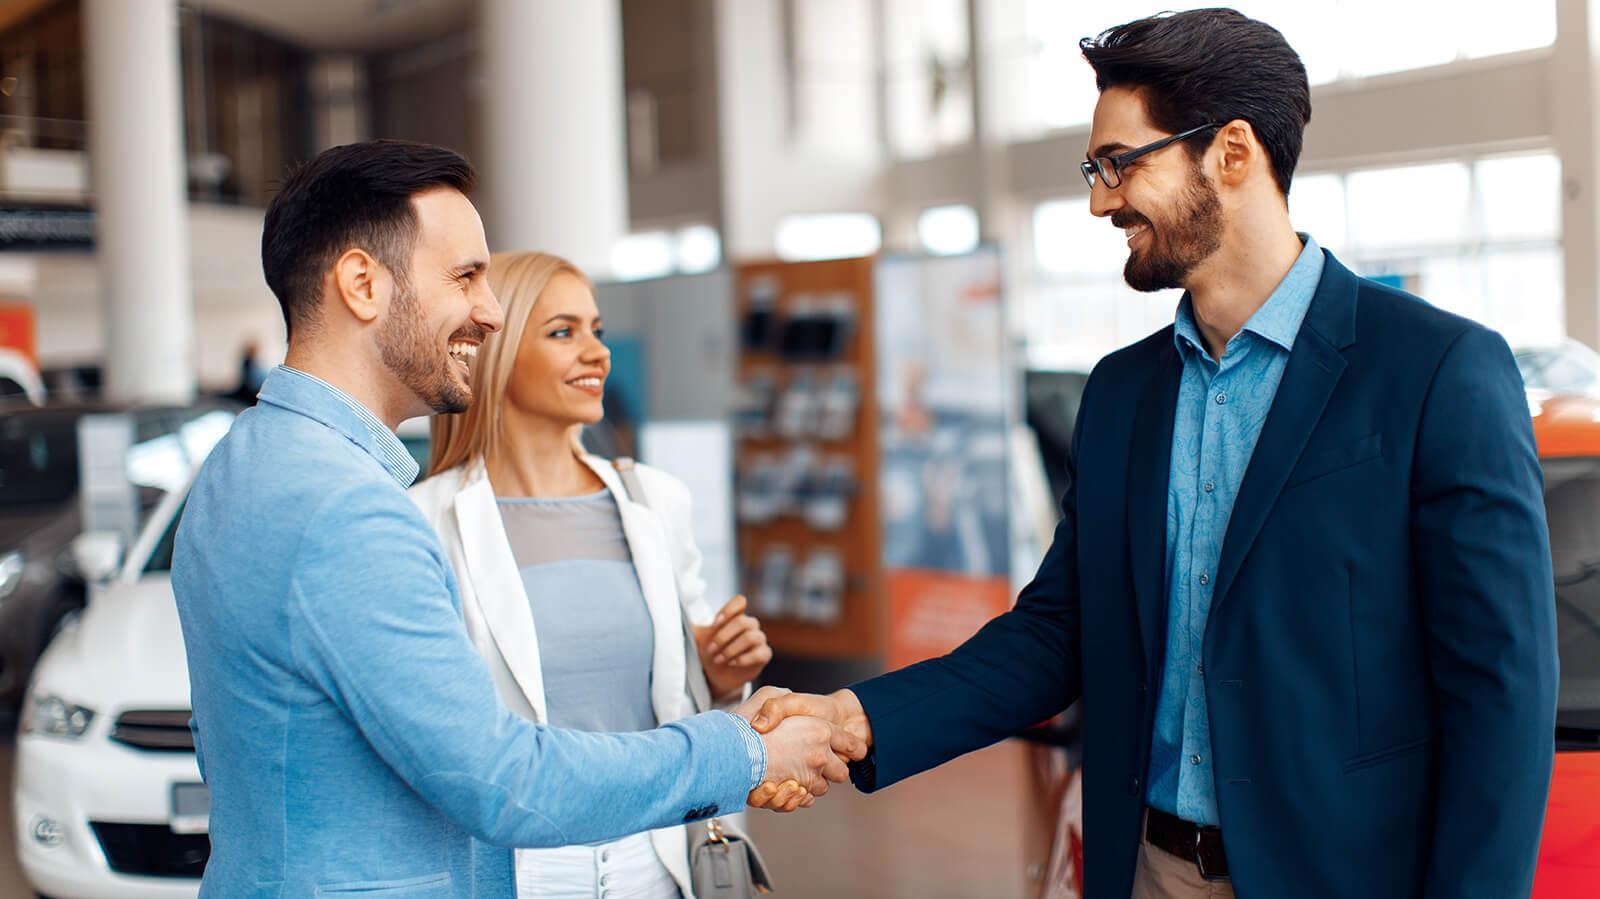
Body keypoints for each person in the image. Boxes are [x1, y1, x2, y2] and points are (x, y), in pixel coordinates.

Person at [749, 10, 1558, 899]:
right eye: (1095, 171)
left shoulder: (1435, 371)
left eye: (1120, 164)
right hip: (1151, 871)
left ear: (1234, 152)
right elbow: (1057, 631)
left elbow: (1500, 698)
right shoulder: (1124, 394)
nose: (1101, 200)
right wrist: (856, 716)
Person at [171, 139, 859, 899]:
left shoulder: (238, 464)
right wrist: (746, 754)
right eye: (465, 276)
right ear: (362, 283)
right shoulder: (351, 510)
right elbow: (503, 780)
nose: (489, 312)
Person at [409, 250, 774, 898]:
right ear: (497, 349)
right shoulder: (425, 520)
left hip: (654, 859)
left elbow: (682, 701)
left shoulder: (656, 502)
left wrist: (719, 675)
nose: (597, 353)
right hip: (512, 870)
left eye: (597, 330)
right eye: (563, 332)